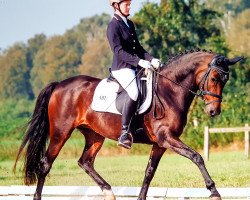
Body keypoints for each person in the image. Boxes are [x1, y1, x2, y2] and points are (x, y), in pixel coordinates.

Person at [107, 0, 160, 149]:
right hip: (122, 68)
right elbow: (118, 51)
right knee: (134, 92)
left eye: (130, 4)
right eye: (126, 4)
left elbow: (139, 48)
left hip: (134, 67)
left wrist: (151, 59)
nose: (129, 7)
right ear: (116, 6)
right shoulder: (113, 26)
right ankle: (124, 133)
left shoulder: (129, 24)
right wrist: (139, 62)